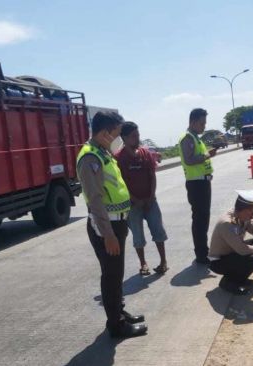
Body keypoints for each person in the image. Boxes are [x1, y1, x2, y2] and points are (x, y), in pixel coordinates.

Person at [76, 111, 147, 338]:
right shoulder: (90, 157)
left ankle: (119, 312)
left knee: (116, 275)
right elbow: (95, 200)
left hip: (117, 223)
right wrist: (108, 234)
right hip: (105, 226)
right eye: (116, 134)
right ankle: (115, 325)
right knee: (111, 275)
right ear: (105, 132)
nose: (118, 138)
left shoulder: (102, 152)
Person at [115, 121, 169, 276]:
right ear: (124, 138)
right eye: (133, 136)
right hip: (133, 204)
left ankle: (163, 262)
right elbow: (122, 184)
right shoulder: (119, 158)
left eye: (138, 135)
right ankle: (143, 263)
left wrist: (151, 197)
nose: (137, 139)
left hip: (150, 201)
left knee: (158, 231)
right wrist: (135, 200)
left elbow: (152, 176)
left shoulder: (145, 153)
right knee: (138, 236)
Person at [178, 108, 217, 264]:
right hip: (196, 184)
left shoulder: (195, 137)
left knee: (204, 218)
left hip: (203, 182)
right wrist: (207, 154)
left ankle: (203, 251)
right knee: (200, 220)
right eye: (202, 123)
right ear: (193, 122)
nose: (204, 126)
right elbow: (189, 159)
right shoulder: (187, 138)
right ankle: (201, 254)